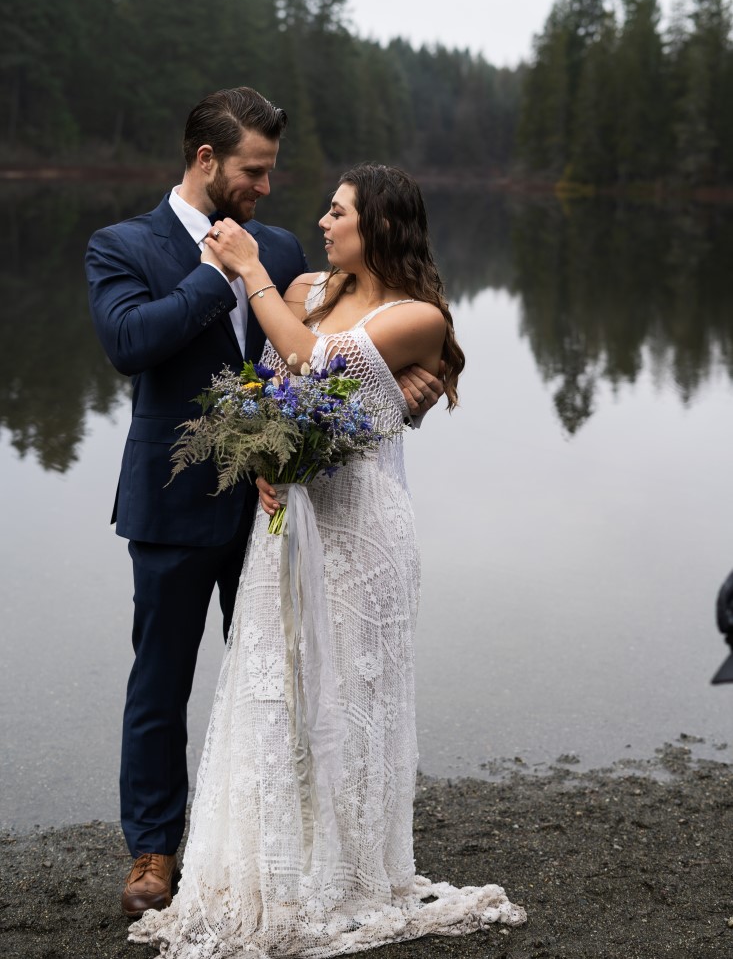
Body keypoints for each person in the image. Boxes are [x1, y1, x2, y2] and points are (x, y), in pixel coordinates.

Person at [129, 163, 526, 956]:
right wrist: (267, 454)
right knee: (281, 688)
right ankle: (281, 858)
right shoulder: (310, 285)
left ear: (376, 224)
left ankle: (345, 868)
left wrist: (249, 271)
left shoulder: (417, 316)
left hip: (364, 531)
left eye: (336, 211)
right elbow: (275, 384)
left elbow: (313, 363)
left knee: (353, 692)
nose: (320, 220)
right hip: (289, 520)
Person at [85, 89, 443, 918]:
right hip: (172, 502)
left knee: (283, 680)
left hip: (284, 511)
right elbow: (129, 343)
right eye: (254, 170)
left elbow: (342, 345)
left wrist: (410, 390)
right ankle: (153, 850)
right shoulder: (122, 246)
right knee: (160, 681)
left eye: (273, 171)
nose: (267, 188)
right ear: (206, 161)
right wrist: (218, 273)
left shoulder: (279, 248)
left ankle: (286, 836)